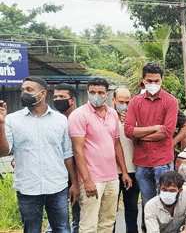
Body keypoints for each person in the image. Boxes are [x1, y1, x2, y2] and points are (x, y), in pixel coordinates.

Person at [0, 77, 78, 233]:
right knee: (32, 230)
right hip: (28, 188)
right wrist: (0, 125)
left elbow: (67, 155)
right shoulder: (11, 120)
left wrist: (74, 183)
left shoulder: (60, 120)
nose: (24, 93)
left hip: (57, 186)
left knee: (62, 229)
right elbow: (3, 151)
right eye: (23, 90)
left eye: (29, 90)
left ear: (42, 93)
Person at [69, 78, 132, 233]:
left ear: (107, 94)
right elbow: (78, 149)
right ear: (87, 93)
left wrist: (124, 172)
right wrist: (87, 180)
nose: (96, 95)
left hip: (111, 178)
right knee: (89, 225)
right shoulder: (79, 115)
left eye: (100, 92)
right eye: (92, 92)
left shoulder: (112, 114)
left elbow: (117, 144)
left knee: (107, 223)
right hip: (92, 179)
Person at [124, 62, 179, 224]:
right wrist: (154, 128)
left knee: (167, 202)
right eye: (149, 81)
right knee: (148, 204)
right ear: (143, 80)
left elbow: (167, 132)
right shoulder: (135, 102)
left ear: (162, 80)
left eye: (156, 81)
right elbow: (128, 131)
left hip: (163, 161)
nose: (153, 84)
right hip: (142, 162)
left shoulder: (170, 101)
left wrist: (139, 134)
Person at [47, 83, 80, 233]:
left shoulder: (80, 117)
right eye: (55, 97)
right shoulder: (50, 120)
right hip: (56, 174)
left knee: (78, 212)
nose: (58, 99)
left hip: (78, 173)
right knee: (56, 215)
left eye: (62, 97)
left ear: (72, 100)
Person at [112, 87, 141, 233]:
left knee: (132, 209)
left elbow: (141, 142)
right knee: (110, 212)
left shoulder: (136, 118)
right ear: (113, 101)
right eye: (121, 102)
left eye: (127, 102)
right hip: (112, 172)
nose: (124, 105)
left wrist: (132, 124)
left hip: (133, 170)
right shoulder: (108, 118)